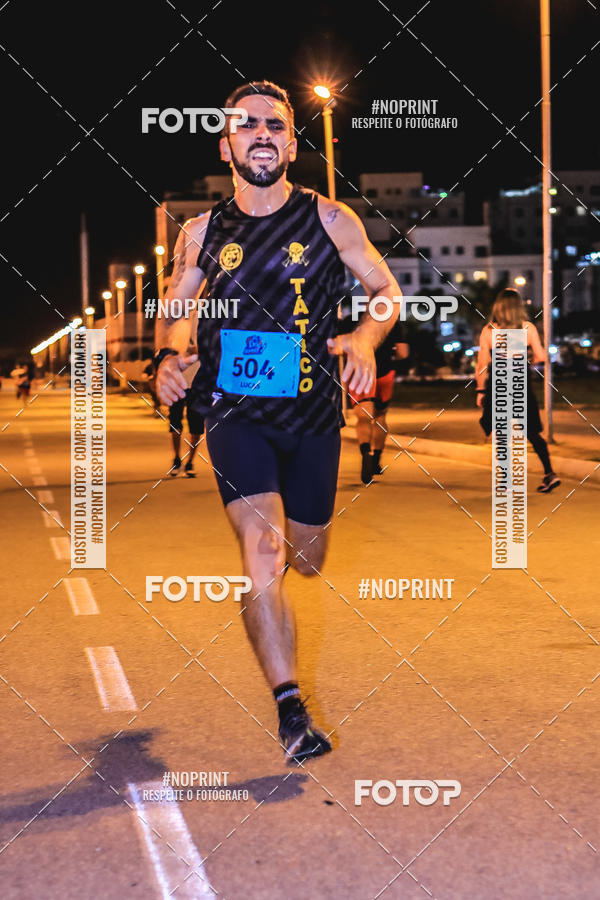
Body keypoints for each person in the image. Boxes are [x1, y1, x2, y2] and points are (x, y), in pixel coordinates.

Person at [154, 80, 401, 763]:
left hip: (314, 417)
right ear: (226, 145)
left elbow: (386, 290)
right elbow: (178, 308)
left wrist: (364, 338)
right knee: (261, 548)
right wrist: (170, 356)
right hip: (236, 414)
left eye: (274, 125)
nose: (261, 133)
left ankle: (299, 557)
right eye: (247, 124)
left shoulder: (330, 219)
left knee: (307, 559)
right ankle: (292, 710)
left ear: (291, 145)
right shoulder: (203, 232)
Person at [476, 288, 560, 493]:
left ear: (498, 307)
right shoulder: (527, 328)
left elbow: (482, 365)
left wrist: (480, 391)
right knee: (531, 431)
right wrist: (526, 361)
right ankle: (549, 473)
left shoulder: (489, 330)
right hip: (521, 384)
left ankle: (506, 480)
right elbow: (541, 356)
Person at [348, 319, 409, 483]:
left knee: (363, 417)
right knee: (380, 416)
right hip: (385, 373)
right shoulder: (393, 323)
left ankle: (365, 452)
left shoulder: (352, 320)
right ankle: (376, 460)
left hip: (361, 373)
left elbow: (340, 347)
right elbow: (403, 353)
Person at [167, 388, 203, 477]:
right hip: (177, 387)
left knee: (196, 428)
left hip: (197, 388)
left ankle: (190, 463)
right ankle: (177, 459)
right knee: (175, 426)